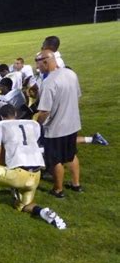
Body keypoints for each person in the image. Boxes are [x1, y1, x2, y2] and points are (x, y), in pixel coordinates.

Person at [36, 50, 82, 197]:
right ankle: (76, 185)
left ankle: (58, 189)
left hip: (56, 129)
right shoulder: (71, 73)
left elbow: (44, 111)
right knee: (72, 154)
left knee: (56, 160)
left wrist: (38, 123)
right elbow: (77, 95)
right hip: (73, 124)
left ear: (45, 61)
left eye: (37, 62)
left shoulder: (48, 82)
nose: (37, 67)